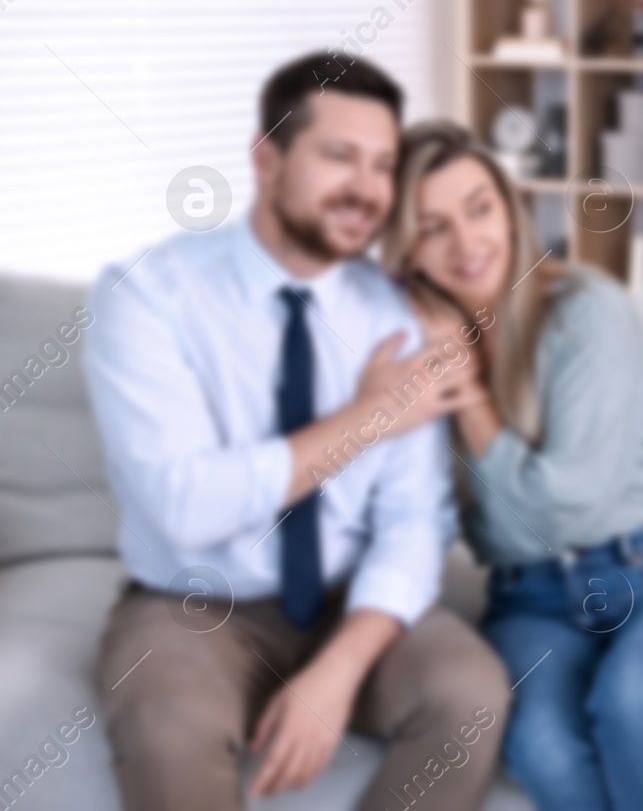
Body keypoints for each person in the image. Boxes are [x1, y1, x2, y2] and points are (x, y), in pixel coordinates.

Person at [85, 54, 511, 811]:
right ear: (267, 158)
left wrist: (341, 668)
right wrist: (370, 417)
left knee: (469, 695)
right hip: (194, 603)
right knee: (168, 727)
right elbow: (184, 504)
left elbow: (415, 523)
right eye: (339, 156)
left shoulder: (399, 315)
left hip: (352, 599)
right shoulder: (147, 296)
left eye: (383, 165)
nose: (366, 189)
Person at [377, 120, 643, 811]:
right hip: (530, 600)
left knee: (632, 704)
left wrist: (470, 397)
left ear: (510, 208)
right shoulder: (412, 347)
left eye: (479, 208)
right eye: (432, 227)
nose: (467, 243)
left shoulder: (586, 313)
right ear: (406, 250)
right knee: (541, 743)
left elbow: (564, 508)